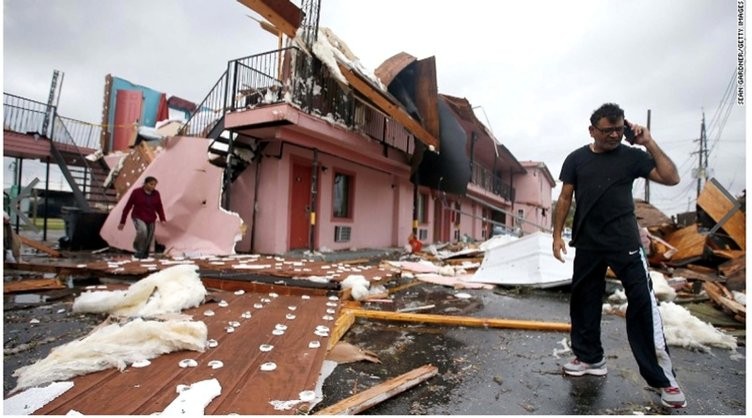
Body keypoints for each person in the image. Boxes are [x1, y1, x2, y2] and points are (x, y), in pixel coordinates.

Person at [552, 103, 685, 408]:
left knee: (642, 303)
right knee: (583, 301)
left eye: (618, 128)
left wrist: (648, 141)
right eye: (607, 129)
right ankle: (590, 359)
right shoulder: (576, 158)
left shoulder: (632, 157)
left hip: (624, 242)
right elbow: (564, 197)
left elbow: (671, 177)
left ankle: (664, 380)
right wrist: (558, 235)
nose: (614, 134)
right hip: (587, 242)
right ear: (592, 131)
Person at [118, 176, 166, 259]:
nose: (153, 186)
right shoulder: (136, 192)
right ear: (145, 183)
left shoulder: (156, 194)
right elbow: (128, 206)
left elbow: (159, 206)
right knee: (142, 231)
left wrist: (162, 218)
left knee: (149, 237)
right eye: (151, 184)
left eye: (154, 185)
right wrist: (122, 221)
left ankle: (144, 253)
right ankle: (138, 249)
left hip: (151, 217)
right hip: (138, 216)